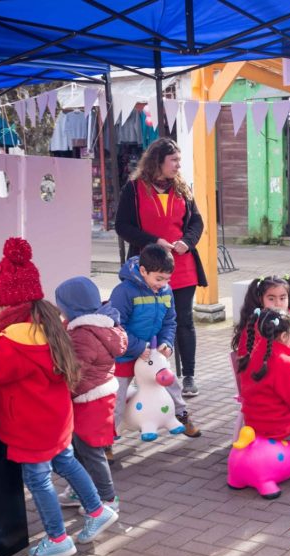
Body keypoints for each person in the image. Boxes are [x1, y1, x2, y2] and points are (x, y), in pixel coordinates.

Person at [0, 237, 118, 556]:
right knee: (66, 462)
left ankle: (57, 537)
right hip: (57, 420)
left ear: (6, 307)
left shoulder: (13, 342)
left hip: (32, 426)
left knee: (37, 478)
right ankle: (97, 510)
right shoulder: (49, 326)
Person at [114, 138, 207, 398]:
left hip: (183, 266)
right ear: (158, 161)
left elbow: (197, 223)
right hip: (148, 267)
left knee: (184, 321)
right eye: (174, 160)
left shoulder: (183, 189)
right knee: (144, 321)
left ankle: (188, 375)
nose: (179, 165)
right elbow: (122, 226)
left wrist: (186, 243)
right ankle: (147, 373)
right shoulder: (133, 190)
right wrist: (153, 241)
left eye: (179, 160)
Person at [108, 244, 200, 438]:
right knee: (117, 396)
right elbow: (116, 325)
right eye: (159, 279)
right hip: (126, 355)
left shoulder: (166, 291)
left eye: (167, 279)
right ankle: (108, 438)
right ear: (143, 271)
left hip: (153, 353)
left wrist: (166, 342)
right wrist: (138, 347)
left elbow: (169, 320)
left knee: (171, 383)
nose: (163, 283)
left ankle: (181, 415)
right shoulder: (123, 292)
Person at [55, 276, 127, 512]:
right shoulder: (99, 326)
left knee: (91, 450)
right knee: (79, 447)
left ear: (72, 308)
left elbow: (74, 370)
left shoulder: (82, 334)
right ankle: (80, 490)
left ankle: (108, 498)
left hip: (89, 398)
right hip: (93, 395)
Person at [237, 308, 290, 486]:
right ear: (284, 336)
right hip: (280, 425)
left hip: (254, 422)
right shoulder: (284, 362)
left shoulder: (253, 355)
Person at [231, 275, 290, 359]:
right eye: (271, 299)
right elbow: (245, 362)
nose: (278, 303)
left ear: (289, 298)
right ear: (261, 300)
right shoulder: (253, 327)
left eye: (282, 298)